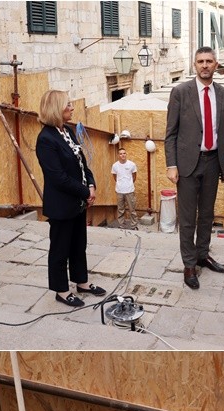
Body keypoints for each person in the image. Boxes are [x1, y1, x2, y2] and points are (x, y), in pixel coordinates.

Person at [165, 46, 224, 290]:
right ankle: (189, 264)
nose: (205, 65)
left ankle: (203, 254)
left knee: (207, 214)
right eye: (200, 61)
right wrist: (171, 164)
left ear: (216, 64)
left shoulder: (223, 94)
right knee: (188, 217)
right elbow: (170, 133)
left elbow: (223, 133)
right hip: (187, 164)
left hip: (214, 162)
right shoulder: (181, 91)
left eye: (209, 61)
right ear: (195, 65)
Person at [35, 90, 107, 308]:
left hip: (77, 202)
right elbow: (58, 177)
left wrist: (91, 184)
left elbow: (82, 163)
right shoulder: (46, 139)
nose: (72, 108)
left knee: (78, 244)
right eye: (68, 105)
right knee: (60, 248)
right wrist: (85, 192)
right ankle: (62, 290)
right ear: (56, 108)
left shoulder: (66, 131)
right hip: (62, 204)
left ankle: (82, 282)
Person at [111, 147, 138, 229]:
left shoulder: (131, 164)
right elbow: (115, 177)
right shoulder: (115, 165)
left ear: (126, 154)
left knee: (132, 209)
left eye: (124, 153)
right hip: (119, 190)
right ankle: (121, 224)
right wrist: (120, 184)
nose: (122, 155)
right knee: (120, 209)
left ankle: (134, 225)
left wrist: (128, 184)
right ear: (118, 155)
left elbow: (134, 176)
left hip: (129, 190)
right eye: (121, 153)